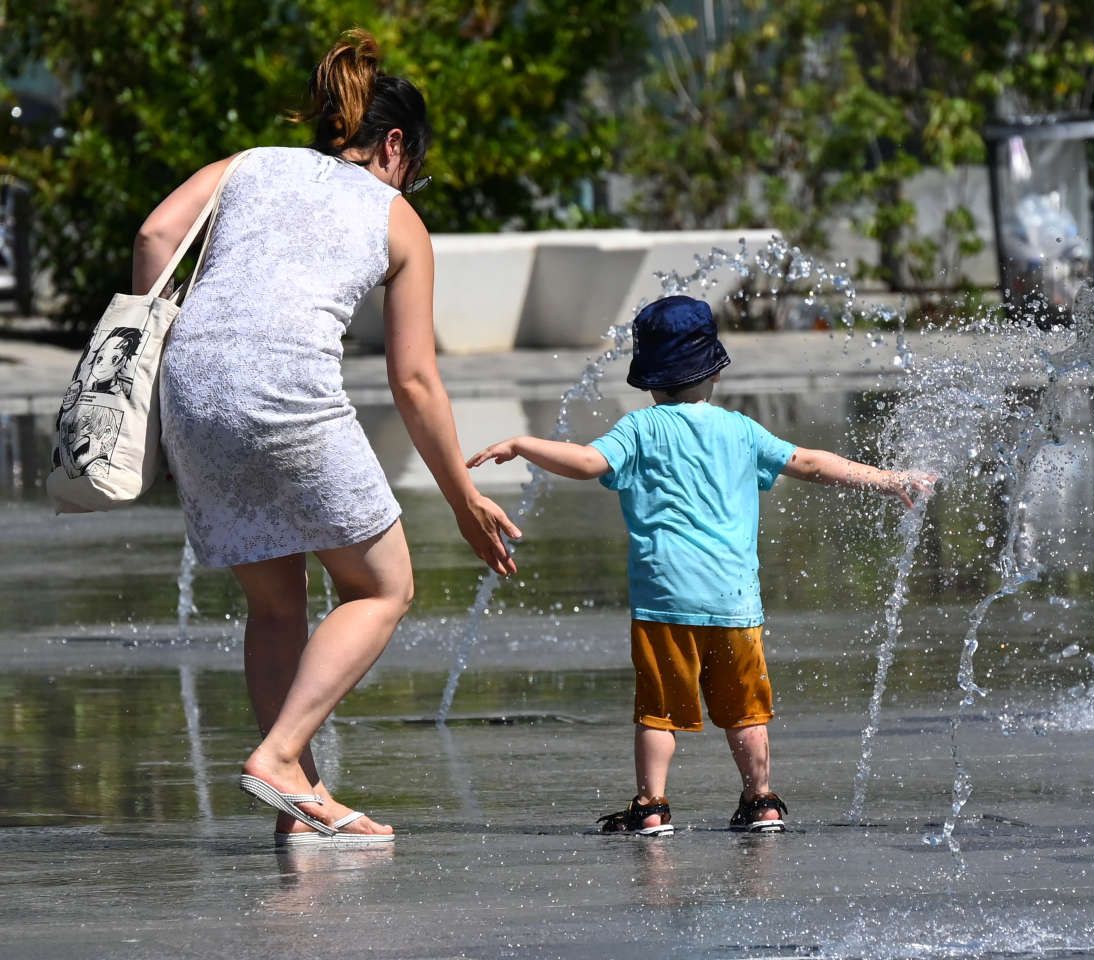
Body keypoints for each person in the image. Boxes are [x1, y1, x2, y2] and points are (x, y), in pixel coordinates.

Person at [135, 29, 520, 844]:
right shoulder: (394, 216)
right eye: (417, 165)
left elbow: (155, 238)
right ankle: (278, 757)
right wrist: (463, 500)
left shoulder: (248, 164)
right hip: (283, 391)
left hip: (191, 385)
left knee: (275, 608)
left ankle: (301, 804)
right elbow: (414, 382)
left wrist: (162, 357)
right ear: (392, 145)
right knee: (383, 586)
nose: (414, 181)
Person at [469, 295, 934, 835]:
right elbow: (809, 463)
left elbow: (588, 462)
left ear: (648, 379)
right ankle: (760, 800)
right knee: (747, 711)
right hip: (734, 602)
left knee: (658, 710)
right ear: (713, 371)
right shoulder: (740, 429)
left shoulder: (639, 429)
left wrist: (525, 444)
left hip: (665, 598)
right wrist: (889, 479)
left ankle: (651, 806)